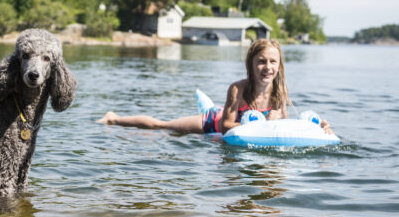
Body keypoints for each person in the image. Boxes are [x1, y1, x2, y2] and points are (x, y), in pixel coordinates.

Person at [97, 39, 333, 134]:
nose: (267, 67)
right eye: (261, 61)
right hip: (215, 120)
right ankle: (114, 118)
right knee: (163, 127)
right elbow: (225, 125)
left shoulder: (279, 94)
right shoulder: (237, 90)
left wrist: (316, 129)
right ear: (250, 65)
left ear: (279, 66)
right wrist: (261, 123)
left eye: (273, 62)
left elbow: (283, 127)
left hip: (239, 125)